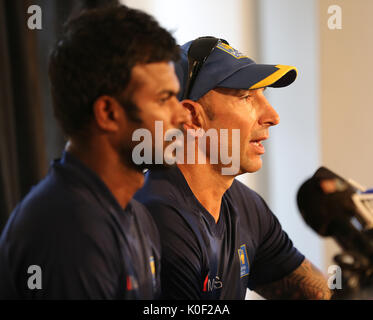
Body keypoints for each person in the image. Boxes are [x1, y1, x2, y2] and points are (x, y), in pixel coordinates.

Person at [0, 4, 190, 299]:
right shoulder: (69, 231)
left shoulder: (135, 215)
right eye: (164, 99)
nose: (182, 116)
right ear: (107, 113)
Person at [135, 36, 332, 299]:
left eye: (263, 95)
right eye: (246, 97)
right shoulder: (160, 216)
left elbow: (315, 293)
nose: (273, 116)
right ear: (192, 117)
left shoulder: (245, 205)